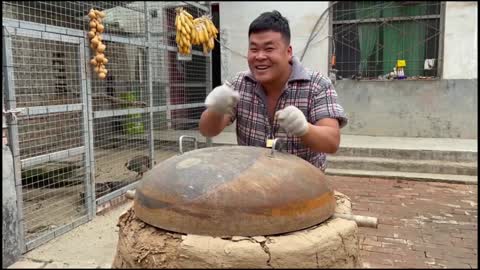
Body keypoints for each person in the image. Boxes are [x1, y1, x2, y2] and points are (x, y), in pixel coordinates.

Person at [199, 10, 347, 172]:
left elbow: (332, 142)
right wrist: (216, 110)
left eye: (269, 49)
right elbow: (207, 130)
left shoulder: (318, 85)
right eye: (254, 49)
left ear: (288, 52)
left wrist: (304, 129)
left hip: (304, 189)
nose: (260, 56)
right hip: (253, 183)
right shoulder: (238, 85)